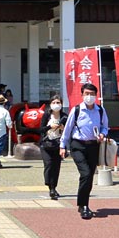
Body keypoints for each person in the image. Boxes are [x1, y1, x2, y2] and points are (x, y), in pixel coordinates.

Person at [60, 83, 108, 220]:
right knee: (85, 173)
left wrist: (103, 134)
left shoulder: (100, 110)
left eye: (92, 94)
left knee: (89, 175)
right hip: (78, 145)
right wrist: (62, 146)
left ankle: (82, 203)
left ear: (96, 95)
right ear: (82, 95)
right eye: (86, 94)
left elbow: (105, 126)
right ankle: (84, 206)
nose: (89, 97)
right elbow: (68, 129)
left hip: (93, 146)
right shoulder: (76, 110)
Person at [39, 96, 67, 200]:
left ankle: (53, 188)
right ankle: (49, 184)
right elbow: (41, 129)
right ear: (50, 104)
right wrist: (50, 127)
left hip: (58, 144)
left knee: (56, 167)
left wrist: (62, 128)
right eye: (54, 102)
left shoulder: (64, 116)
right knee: (49, 165)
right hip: (46, 144)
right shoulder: (47, 115)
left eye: (58, 102)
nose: (56, 104)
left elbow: (68, 131)